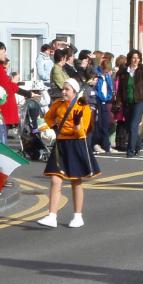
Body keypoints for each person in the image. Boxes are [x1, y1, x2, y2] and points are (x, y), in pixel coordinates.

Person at [37, 79, 100, 228]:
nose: (63, 91)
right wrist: (44, 129)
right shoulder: (57, 104)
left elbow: (81, 132)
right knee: (55, 179)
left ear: (74, 91)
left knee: (76, 181)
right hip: (60, 143)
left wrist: (77, 124)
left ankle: (78, 216)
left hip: (76, 144)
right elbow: (47, 120)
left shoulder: (83, 106)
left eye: (67, 89)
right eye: (63, 89)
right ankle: (52, 216)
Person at [0, 41, 35, 129]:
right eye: (3, 52)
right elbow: (8, 87)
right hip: (3, 107)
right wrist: (28, 93)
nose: (5, 54)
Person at [116, 50, 143, 158]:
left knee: (133, 126)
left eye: (138, 58)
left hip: (139, 102)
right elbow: (120, 89)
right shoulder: (124, 71)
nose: (136, 60)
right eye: (133, 58)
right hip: (127, 102)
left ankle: (130, 150)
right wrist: (118, 101)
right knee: (128, 127)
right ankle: (138, 145)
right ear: (130, 59)